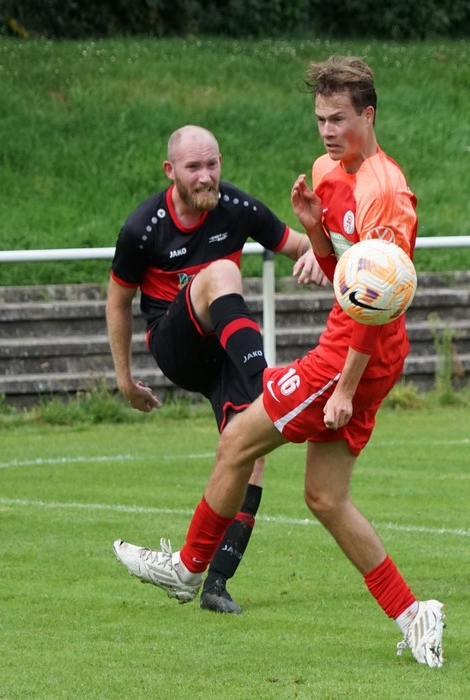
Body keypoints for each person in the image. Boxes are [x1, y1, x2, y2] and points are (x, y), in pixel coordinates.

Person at [113, 58, 445, 667]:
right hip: (359, 347)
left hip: (353, 354)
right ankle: (413, 613)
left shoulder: (386, 193)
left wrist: (344, 386)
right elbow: (346, 270)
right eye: (319, 117)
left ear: (367, 116)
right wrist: (317, 233)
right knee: (324, 497)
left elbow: (377, 300)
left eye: (338, 118)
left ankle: (188, 570)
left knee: (238, 439)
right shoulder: (329, 170)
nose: (325, 130)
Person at [106, 124, 326, 614]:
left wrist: (317, 253)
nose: (206, 177)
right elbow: (118, 302)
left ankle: (215, 583)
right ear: (171, 172)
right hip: (176, 342)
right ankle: (267, 385)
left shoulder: (238, 207)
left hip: (225, 350)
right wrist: (124, 380)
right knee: (223, 272)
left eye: (213, 165)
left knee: (251, 444)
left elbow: (299, 245)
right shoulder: (144, 225)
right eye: (193, 168)